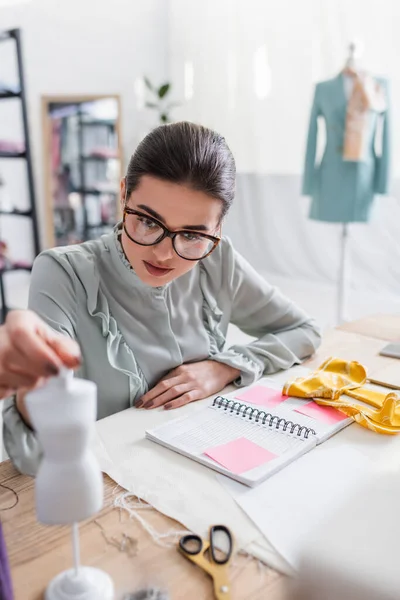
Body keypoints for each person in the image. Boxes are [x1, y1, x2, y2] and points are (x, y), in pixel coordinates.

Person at [2, 121, 321, 476]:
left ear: (217, 229)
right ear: (123, 195)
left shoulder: (217, 259)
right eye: (148, 222)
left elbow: (304, 330)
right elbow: (34, 454)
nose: (165, 254)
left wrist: (225, 367)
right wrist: (31, 382)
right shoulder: (64, 272)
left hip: (207, 469)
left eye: (191, 235)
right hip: (109, 486)